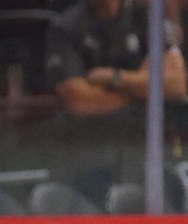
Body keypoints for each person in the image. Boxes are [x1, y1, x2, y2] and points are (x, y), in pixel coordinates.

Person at [45, 0, 187, 202]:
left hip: (145, 152)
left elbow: (178, 84)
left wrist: (113, 79)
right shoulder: (66, 27)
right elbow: (78, 100)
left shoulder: (148, 18)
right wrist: (145, 87)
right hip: (88, 155)